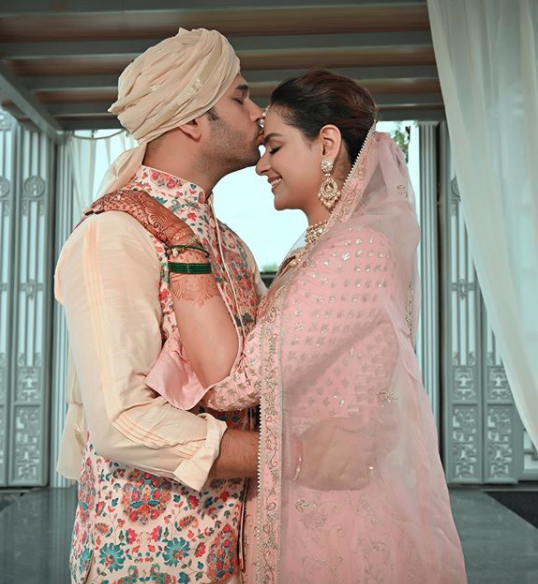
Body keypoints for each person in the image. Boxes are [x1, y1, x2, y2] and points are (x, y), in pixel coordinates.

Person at [93, 69, 468, 583]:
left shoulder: (357, 250)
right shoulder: (318, 251)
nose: (261, 164)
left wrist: (183, 246)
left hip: (334, 517)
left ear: (327, 144)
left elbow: (237, 383)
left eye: (275, 146)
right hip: (299, 501)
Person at [55, 28, 265, 584]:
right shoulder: (115, 234)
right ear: (193, 120)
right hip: (149, 560)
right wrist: (283, 453)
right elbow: (122, 421)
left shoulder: (232, 245)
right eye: (241, 98)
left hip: (237, 553)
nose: (259, 114)